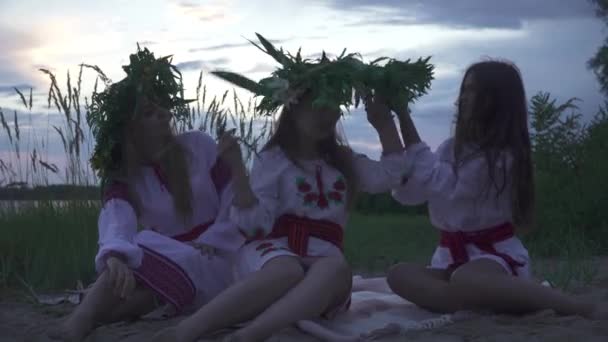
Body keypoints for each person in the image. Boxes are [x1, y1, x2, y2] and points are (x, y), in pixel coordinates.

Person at [152, 37, 413, 342]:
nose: (325, 115)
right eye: (315, 105)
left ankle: (248, 336)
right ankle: (186, 331)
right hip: (273, 254)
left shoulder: (343, 161)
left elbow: (393, 176)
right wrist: (237, 171)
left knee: (334, 268)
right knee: (287, 270)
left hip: (323, 271)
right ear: (293, 106)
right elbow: (255, 224)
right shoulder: (274, 159)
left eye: (332, 107)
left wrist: (384, 125)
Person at [49, 47, 245, 341]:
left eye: (161, 109)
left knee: (141, 247)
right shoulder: (128, 176)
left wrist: (215, 238)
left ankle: (77, 322)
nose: (164, 116)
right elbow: (117, 219)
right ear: (131, 128)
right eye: (149, 113)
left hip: (219, 258)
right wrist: (114, 255)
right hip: (174, 268)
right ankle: (86, 323)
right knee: (134, 285)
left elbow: (235, 200)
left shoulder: (198, 146)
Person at [386, 60, 606, 321]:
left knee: (467, 279)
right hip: (450, 258)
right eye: (464, 91)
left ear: (497, 101)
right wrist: (386, 128)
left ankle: (576, 306)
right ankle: (483, 301)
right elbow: (413, 193)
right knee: (398, 275)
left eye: (473, 91)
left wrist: (404, 116)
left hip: (492, 256)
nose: (464, 98)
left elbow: (443, 187)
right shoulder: (449, 148)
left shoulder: (502, 157)